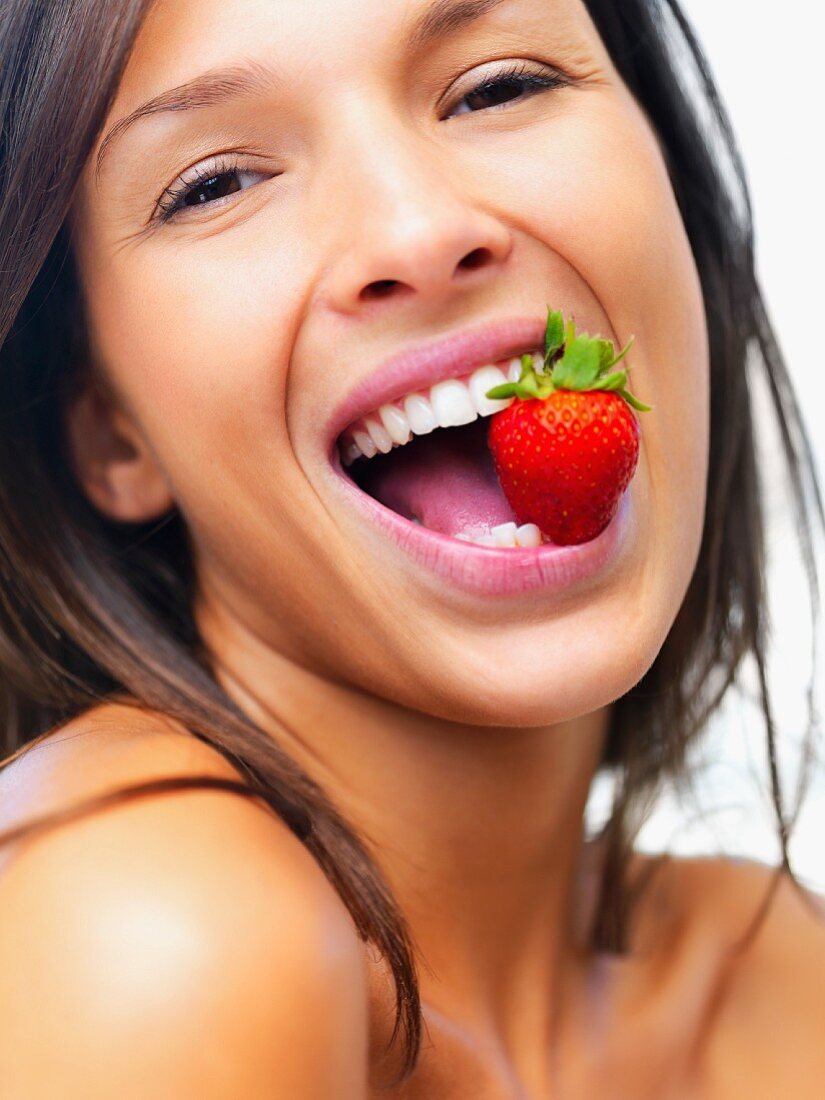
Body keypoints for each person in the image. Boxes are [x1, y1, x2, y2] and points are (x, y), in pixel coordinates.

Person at [0, 0, 822, 1095]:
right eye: (219, 182)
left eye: (500, 87)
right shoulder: (144, 922)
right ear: (104, 424)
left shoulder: (776, 975)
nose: (420, 232)